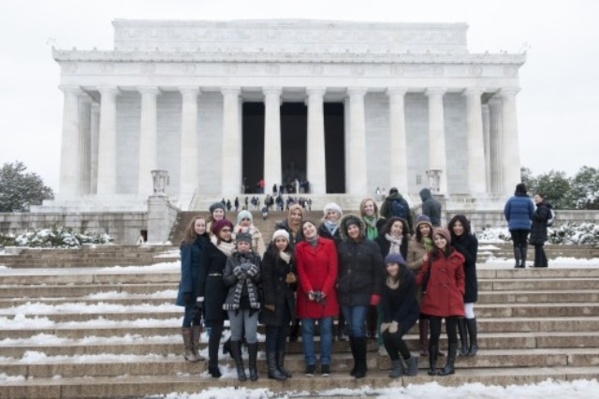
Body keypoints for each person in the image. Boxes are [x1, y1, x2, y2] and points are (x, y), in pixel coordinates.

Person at [337, 215, 385, 379]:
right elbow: (338, 268)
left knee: (358, 326)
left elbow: (379, 271)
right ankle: (357, 362)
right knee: (351, 328)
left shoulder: (371, 246)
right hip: (345, 293)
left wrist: (376, 292)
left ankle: (362, 364)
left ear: (360, 227)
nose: (353, 230)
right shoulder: (342, 246)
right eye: (349, 228)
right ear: (346, 231)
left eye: (355, 227)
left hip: (363, 292)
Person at [416, 227, 465, 376]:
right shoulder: (431, 256)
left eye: (441, 238)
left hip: (452, 300)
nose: (438, 241)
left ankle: (450, 365)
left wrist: (460, 292)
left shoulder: (457, 257)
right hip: (434, 299)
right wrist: (407, 283)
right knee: (435, 333)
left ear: (447, 239)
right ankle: (432, 365)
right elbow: (422, 274)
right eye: (436, 239)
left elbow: (460, 278)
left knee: (451, 333)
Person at [295, 220, 339, 377]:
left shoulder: (329, 244)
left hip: (326, 294)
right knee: (307, 330)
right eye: (304, 228)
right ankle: (310, 362)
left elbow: (333, 270)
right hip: (307, 295)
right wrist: (309, 290)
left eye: (310, 226)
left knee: (326, 329)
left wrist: (325, 290)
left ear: (316, 228)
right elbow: (301, 270)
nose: (308, 229)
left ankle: (326, 362)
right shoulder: (299, 247)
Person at [197, 219, 235, 378]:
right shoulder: (210, 247)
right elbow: (202, 271)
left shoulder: (235, 247)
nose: (227, 233)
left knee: (239, 324)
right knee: (217, 329)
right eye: (224, 230)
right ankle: (213, 363)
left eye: (229, 230)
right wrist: (200, 297)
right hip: (214, 289)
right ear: (217, 231)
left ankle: (230, 344)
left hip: (232, 288)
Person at [222, 232, 262, 382]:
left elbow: (260, 279)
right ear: (237, 245)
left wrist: (252, 271)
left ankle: (252, 367)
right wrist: (238, 273)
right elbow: (226, 280)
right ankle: (239, 366)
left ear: (250, 245)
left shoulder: (256, 259)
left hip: (251, 303)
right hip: (234, 302)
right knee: (236, 335)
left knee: (251, 335)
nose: (243, 246)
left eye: (246, 243)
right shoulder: (231, 259)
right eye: (241, 244)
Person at [260, 229, 297, 381]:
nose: (281, 243)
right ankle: (272, 368)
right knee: (273, 334)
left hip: (287, 302)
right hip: (273, 302)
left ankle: (280, 365)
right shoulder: (269, 256)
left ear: (288, 242)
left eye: (284, 240)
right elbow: (266, 279)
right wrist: (269, 301)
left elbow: (295, 282)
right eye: (278, 240)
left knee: (282, 334)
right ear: (274, 242)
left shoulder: (291, 257)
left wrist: (294, 280)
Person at [406, 214, 442, 358]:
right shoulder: (412, 243)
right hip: (421, 284)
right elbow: (408, 265)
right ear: (418, 229)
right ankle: (424, 346)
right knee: (424, 315)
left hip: (436, 282)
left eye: (426, 226)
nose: (424, 229)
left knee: (435, 316)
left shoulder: (436, 241)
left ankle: (435, 345)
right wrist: (422, 260)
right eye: (421, 227)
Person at [373, 216, 410, 355]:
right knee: (383, 313)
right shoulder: (379, 241)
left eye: (400, 227)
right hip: (383, 282)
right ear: (390, 226)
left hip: (399, 283)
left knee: (396, 314)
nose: (398, 229)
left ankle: (394, 340)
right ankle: (382, 343)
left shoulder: (405, 243)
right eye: (395, 226)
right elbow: (376, 263)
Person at [380, 253, 420, 378]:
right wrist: (387, 321)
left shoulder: (409, 277)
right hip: (392, 313)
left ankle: (410, 361)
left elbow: (409, 301)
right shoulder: (384, 279)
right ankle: (398, 366)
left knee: (395, 335)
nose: (390, 268)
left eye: (393, 265)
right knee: (386, 336)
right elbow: (384, 301)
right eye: (387, 266)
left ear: (400, 265)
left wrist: (396, 321)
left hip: (409, 312)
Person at [176, 216, 209, 363]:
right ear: (193, 226)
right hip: (192, 284)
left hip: (203, 284)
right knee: (189, 314)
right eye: (198, 225)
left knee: (198, 316)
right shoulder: (188, 244)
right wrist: (187, 289)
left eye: (203, 225)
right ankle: (188, 350)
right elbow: (186, 268)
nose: (201, 228)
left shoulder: (206, 242)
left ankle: (196, 349)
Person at [448, 215, 479, 356]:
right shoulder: (449, 241)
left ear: (465, 226)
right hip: (454, 280)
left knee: (468, 311)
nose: (457, 228)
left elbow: (471, 260)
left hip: (468, 280)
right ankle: (464, 344)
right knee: (459, 313)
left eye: (460, 225)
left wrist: (457, 246)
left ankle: (474, 343)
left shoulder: (472, 240)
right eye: (455, 225)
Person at [359, 197, 384, 344]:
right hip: (364, 266)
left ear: (375, 208)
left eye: (370, 206)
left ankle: (376, 329)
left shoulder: (382, 223)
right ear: (363, 209)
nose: (369, 208)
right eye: (366, 206)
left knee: (377, 299)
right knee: (367, 300)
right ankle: (370, 329)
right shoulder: (360, 224)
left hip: (379, 264)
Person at [504, 183, 535, 268]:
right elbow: (532, 214)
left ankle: (517, 262)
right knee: (524, 242)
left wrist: (510, 220)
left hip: (514, 225)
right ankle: (523, 262)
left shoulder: (511, 200)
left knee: (516, 243)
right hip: (525, 225)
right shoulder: (529, 201)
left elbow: (506, 212)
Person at [530, 193, 551, 268]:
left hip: (540, 230)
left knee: (538, 247)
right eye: (535, 197)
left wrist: (533, 214)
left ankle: (538, 264)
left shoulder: (543, 208)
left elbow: (542, 218)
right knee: (538, 246)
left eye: (537, 197)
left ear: (542, 198)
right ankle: (544, 263)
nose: (535, 199)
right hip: (538, 229)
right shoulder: (540, 207)